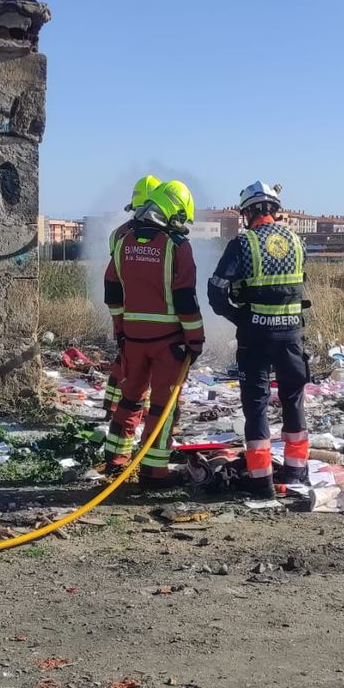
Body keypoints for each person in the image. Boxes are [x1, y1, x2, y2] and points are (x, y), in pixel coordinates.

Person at [208, 181, 310, 498]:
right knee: (294, 401)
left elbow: (216, 290)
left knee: (256, 406)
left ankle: (260, 480)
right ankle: (297, 474)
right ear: (275, 211)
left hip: (256, 335)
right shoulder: (297, 242)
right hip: (292, 334)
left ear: (247, 213)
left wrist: (240, 315)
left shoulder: (243, 244)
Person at [102, 180, 204, 486]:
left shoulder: (124, 240)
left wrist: (121, 330)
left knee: (130, 400)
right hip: (168, 345)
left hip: (133, 340)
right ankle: (153, 470)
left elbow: (112, 292)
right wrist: (196, 340)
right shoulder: (177, 246)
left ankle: (115, 459)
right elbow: (186, 299)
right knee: (163, 406)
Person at [103, 175, 161, 417]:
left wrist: (117, 320)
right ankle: (139, 409)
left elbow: (113, 276)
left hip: (125, 311)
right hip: (154, 314)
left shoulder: (118, 234)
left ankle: (111, 406)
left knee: (125, 359)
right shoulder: (163, 237)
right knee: (149, 366)